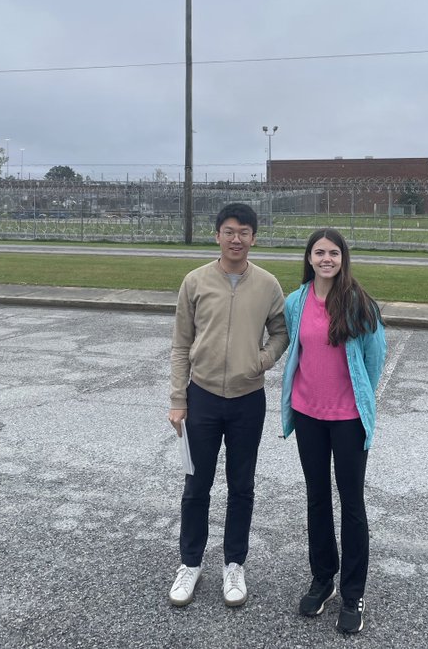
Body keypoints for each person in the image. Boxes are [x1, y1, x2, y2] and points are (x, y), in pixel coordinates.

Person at [168, 202, 288, 608]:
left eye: (244, 232)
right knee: (196, 485)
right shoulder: (195, 281)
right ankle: (190, 563)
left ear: (254, 238)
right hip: (201, 396)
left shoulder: (268, 285)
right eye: (229, 231)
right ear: (217, 234)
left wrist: (261, 361)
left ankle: (234, 563)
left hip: (247, 399)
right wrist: (177, 399)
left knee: (242, 486)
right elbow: (181, 343)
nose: (236, 239)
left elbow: (280, 333)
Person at [281, 228, 387, 635]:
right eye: (319, 252)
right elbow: (296, 347)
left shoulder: (359, 303)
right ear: (309, 258)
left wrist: (358, 397)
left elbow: (375, 358)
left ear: (343, 258)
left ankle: (353, 591)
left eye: (334, 253)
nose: (326, 259)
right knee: (317, 499)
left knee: (352, 504)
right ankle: (323, 578)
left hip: (347, 419)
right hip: (308, 415)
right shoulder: (297, 301)